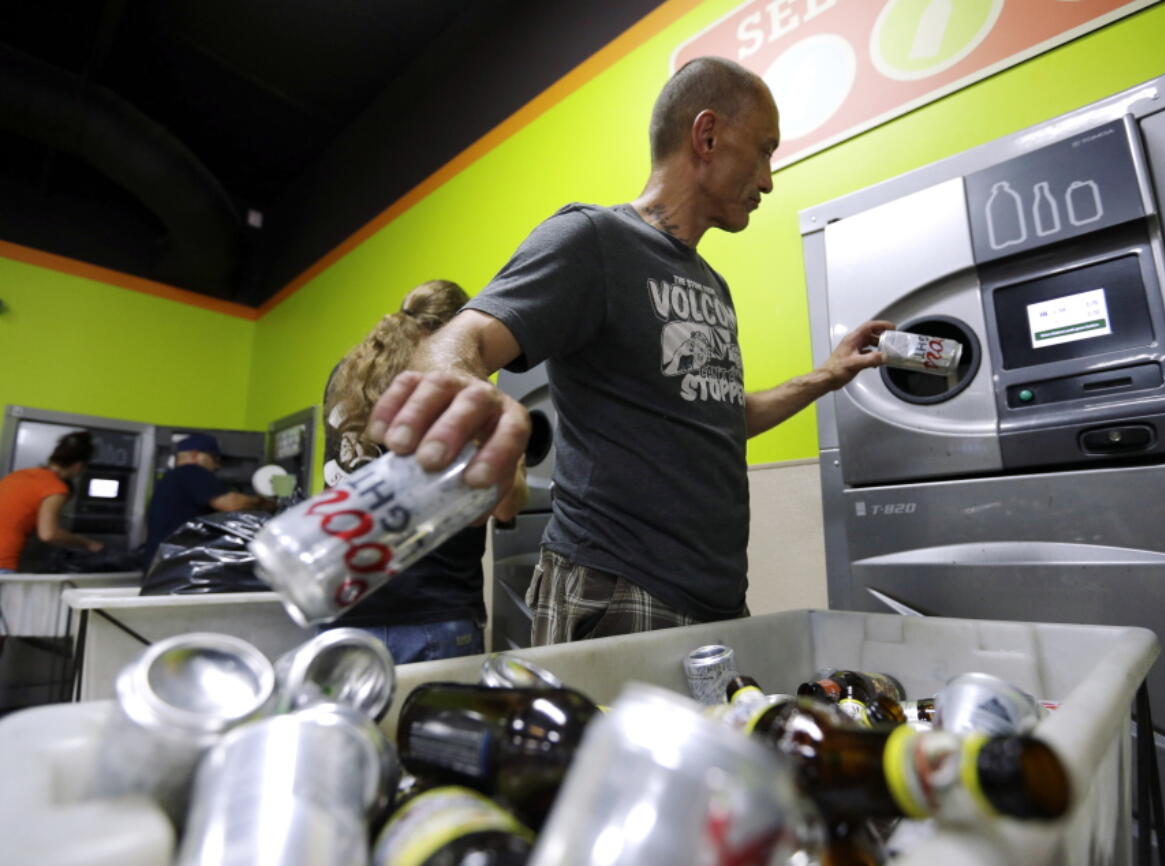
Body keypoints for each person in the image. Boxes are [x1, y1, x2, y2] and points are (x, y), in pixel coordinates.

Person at [365, 56, 892, 645]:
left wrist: (827, 375)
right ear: (708, 135)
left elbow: (722, 419)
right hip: (617, 589)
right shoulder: (592, 240)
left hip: (718, 598)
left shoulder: (713, 285)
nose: (769, 178)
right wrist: (459, 381)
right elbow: (459, 339)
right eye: (764, 149)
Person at [321, 279, 527, 663]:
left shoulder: (345, 376)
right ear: (462, 330)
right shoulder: (456, 384)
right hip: (433, 609)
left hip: (342, 600)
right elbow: (503, 507)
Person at [142, 433, 272, 571]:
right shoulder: (191, 471)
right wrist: (263, 503)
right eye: (214, 459)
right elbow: (231, 504)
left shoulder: (170, 479)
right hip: (178, 568)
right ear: (195, 455)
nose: (217, 466)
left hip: (161, 567)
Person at [0, 431, 104, 573]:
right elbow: (49, 534)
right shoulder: (55, 487)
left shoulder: (18, 475)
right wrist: (88, 543)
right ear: (78, 466)